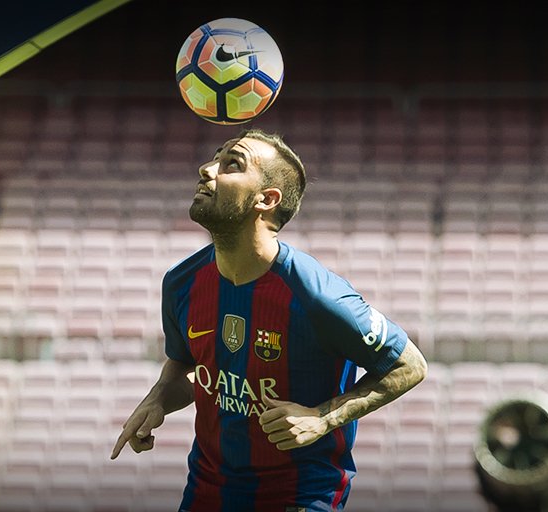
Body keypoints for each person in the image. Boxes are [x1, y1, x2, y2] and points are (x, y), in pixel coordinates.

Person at [111, 128, 428, 511]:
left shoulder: (316, 294)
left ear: (267, 199)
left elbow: (410, 365)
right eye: (215, 158)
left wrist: (321, 419)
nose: (206, 169)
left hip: (300, 495)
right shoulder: (181, 282)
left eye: (231, 164)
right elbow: (186, 365)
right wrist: (158, 399)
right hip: (208, 490)